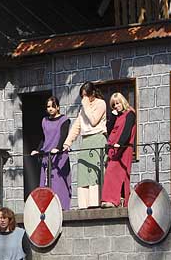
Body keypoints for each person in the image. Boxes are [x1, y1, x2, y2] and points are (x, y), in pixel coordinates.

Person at [63, 81, 108, 209]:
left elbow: (94, 121)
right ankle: (83, 205)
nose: (84, 99)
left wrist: (86, 105)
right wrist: (67, 142)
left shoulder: (101, 104)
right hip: (86, 141)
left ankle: (94, 203)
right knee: (83, 174)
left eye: (86, 95)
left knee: (94, 173)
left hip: (97, 138)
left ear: (92, 93)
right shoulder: (84, 108)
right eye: (82, 96)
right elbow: (77, 126)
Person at [31, 97, 71, 210]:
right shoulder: (44, 121)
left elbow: (63, 136)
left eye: (53, 106)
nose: (50, 109)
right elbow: (44, 138)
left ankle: (62, 208)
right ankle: (46, 208)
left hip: (59, 157)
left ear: (58, 107)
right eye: (48, 107)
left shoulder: (64, 120)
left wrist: (58, 148)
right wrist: (38, 150)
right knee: (45, 183)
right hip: (47, 155)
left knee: (59, 184)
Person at [101, 93, 136, 208]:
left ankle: (111, 199)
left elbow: (127, 130)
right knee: (122, 175)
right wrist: (112, 116)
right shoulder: (117, 116)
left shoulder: (130, 114)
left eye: (118, 103)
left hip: (124, 148)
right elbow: (110, 130)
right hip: (115, 149)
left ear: (123, 102)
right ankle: (125, 201)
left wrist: (120, 143)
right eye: (114, 104)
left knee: (113, 171)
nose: (116, 106)